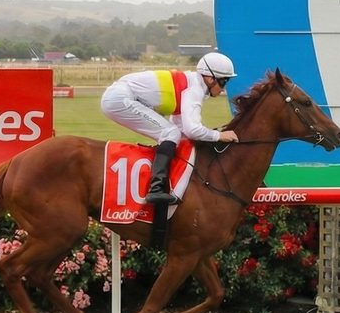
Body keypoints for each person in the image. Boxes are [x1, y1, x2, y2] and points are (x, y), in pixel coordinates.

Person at [100, 52, 239, 204]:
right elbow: (192, 130)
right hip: (120, 98)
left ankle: (163, 183)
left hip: (121, 96)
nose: (223, 89)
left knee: (174, 134)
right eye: (224, 82)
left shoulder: (191, 83)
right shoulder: (194, 89)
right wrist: (219, 136)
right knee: (170, 133)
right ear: (210, 78)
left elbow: (184, 130)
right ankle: (156, 189)